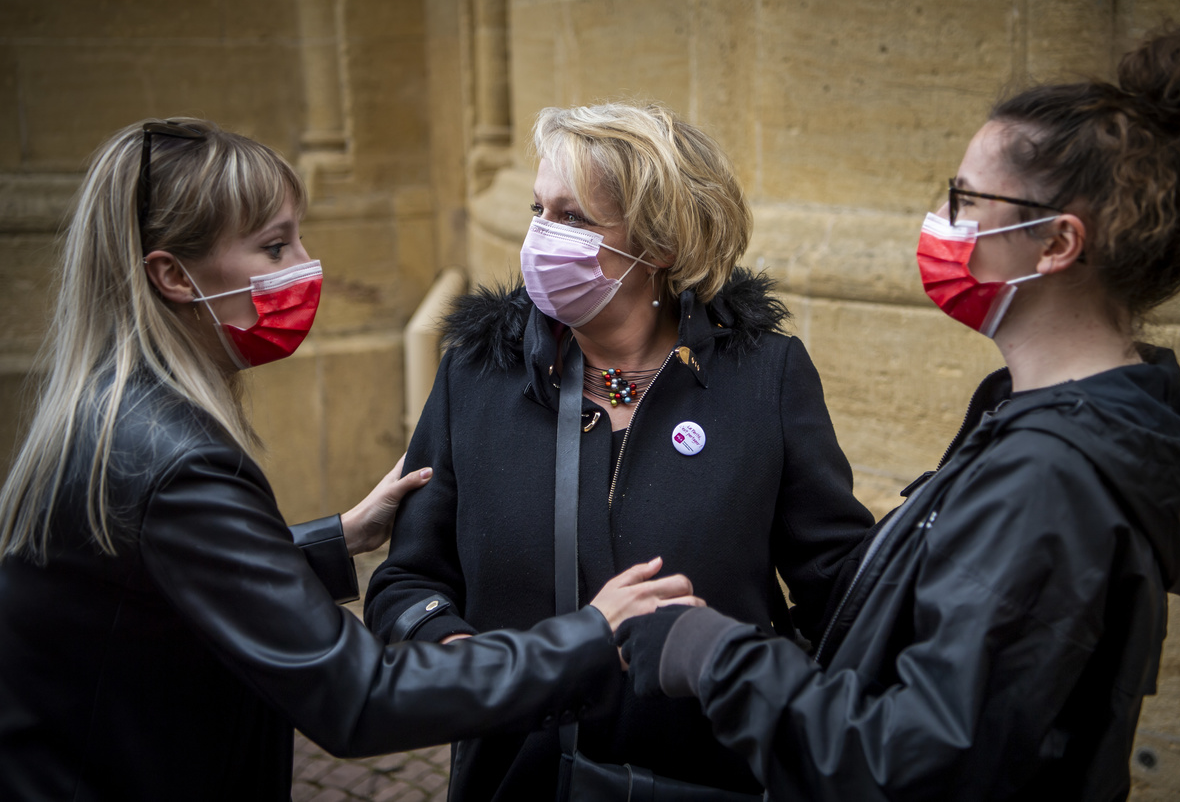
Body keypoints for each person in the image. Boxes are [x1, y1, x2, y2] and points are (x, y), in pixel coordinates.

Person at [614, 23, 1180, 800]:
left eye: (966, 198)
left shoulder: (1050, 478)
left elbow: (912, 766)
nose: (941, 219)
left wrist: (711, 652)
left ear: (1057, 241)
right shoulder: (1038, 424)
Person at [0, 118, 701, 802]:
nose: (305, 265)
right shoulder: (177, 460)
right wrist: (586, 636)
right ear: (174, 276)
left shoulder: (115, 406)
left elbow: (169, 588)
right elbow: (359, 695)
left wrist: (342, 536)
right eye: (274, 247)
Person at [364, 102, 873, 799]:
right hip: (517, 778)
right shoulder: (476, 377)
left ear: (659, 245)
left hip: (709, 778)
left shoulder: (766, 377)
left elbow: (840, 592)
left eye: (573, 218)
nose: (542, 237)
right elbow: (407, 582)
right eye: (538, 210)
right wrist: (470, 662)